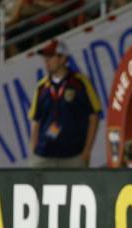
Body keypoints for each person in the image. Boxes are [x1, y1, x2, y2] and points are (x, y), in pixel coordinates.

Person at [29, 39, 101, 168]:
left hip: (73, 156)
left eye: (51, 57)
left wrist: (86, 151)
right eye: (45, 57)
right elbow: (36, 122)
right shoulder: (42, 87)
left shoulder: (80, 83)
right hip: (43, 156)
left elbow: (93, 117)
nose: (46, 61)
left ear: (63, 59)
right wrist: (33, 152)